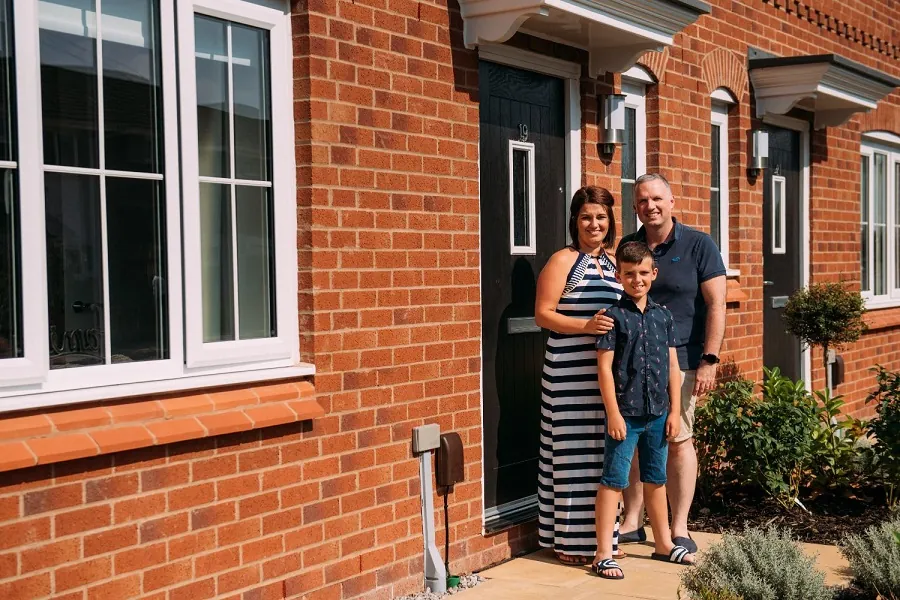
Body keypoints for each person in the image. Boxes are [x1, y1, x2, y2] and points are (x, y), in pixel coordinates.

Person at [617, 173, 726, 554]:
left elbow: (716, 304)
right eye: (643, 200)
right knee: (632, 439)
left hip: (680, 358)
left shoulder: (699, 245)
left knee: (677, 439)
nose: (651, 206)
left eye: (657, 198)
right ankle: (633, 520)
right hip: (632, 361)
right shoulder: (629, 244)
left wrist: (709, 360)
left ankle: (678, 525)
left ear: (672, 201)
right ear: (635, 207)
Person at [592, 241, 694, 579]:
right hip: (627, 414)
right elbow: (604, 369)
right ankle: (603, 552)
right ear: (619, 275)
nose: (637, 279)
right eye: (629, 274)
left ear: (654, 274)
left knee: (656, 478)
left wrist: (675, 411)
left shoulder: (663, 315)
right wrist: (614, 414)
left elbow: (672, 365)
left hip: (658, 414)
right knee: (614, 480)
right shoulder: (612, 317)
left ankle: (663, 543)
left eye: (643, 273)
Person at [535, 186, 623, 565]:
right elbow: (543, 314)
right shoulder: (563, 260)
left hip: (605, 374)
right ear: (575, 220)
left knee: (601, 454)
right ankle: (571, 542)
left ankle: (603, 541)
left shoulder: (617, 262)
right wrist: (586, 326)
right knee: (571, 456)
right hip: (568, 372)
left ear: (610, 221)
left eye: (601, 217)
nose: (594, 224)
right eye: (586, 216)